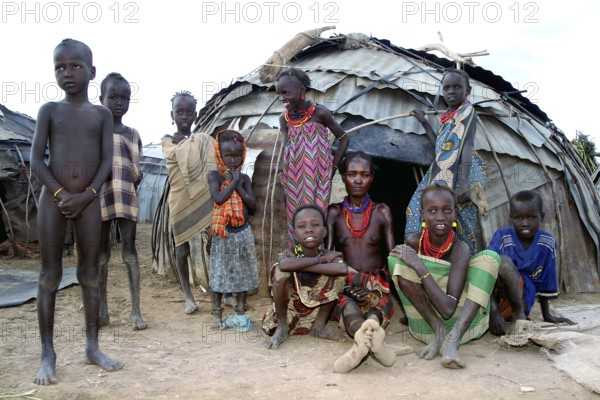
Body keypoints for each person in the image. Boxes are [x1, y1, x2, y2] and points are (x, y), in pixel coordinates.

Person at [30, 39, 121, 385]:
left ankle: (92, 346)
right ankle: (47, 354)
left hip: (88, 202)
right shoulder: (49, 111)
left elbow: (105, 163)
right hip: (52, 202)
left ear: (92, 72)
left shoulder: (101, 116)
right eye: (59, 67)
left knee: (90, 274)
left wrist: (86, 196)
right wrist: (59, 193)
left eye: (75, 66)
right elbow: (38, 160)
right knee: (49, 276)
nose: (67, 73)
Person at [389, 183, 500, 369]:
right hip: (429, 324)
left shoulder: (460, 249)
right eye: (432, 211)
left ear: (455, 214)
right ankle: (440, 333)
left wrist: (419, 266)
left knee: (490, 258)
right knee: (395, 261)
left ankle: (451, 341)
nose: (440, 217)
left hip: (463, 323)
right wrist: (414, 264)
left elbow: (448, 309)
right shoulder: (413, 242)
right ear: (423, 215)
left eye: (447, 210)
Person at [325, 152, 397, 373]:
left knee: (379, 306)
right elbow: (327, 256)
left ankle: (372, 332)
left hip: (376, 281)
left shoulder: (382, 211)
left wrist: (386, 289)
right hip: (345, 281)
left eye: (364, 174)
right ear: (343, 177)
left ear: (371, 178)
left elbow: (392, 257)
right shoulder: (334, 212)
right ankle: (363, 338)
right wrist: (343, 286)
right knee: (348, 309)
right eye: (352, 174)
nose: (358, 180)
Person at [405, 69, 485, 255]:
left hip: (463, 171)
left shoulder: (467, 110)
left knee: (463, 220)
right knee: (418, 206)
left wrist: (464, 182)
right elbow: (441, 149)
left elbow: (466, 146)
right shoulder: (448, 116)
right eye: (447, 87)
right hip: (444, 168)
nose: (451, 91)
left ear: (468, 91)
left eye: (457, 87)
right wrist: (425, 123)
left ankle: (467, 263)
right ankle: (421, 255)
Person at [276, 68, 349, 243]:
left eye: (285, 93)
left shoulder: (320, 113)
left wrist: (333, 168)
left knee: (316, 218)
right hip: (293, 178)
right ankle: (298, 260)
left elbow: (344, 138)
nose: (282, 98)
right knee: (295, 219)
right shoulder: (284, 119)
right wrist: (284, 175)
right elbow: (286, 148)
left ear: (301, 89)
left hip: (318, 177)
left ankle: (317, 259)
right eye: (279, 94)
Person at [97, 72, 146, 330]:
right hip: (100, 197)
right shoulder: (95, 131)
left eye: (124, 97)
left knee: (129, 252)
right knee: (101, 254)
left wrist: (129, 183)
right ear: (101, 98)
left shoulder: (133, 134)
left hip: (126, 197)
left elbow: (136, 170)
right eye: (113, 97)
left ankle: (136, 312)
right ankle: (102, 311)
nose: (119, 102)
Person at [262, 204, 350, 349]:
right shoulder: (290, 252)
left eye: (315, 225)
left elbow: (341, 268)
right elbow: (283, 265)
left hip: (317, 313)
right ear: (295, 234)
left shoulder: (329, 254)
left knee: (339, 274)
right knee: (279, 271)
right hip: (291, 313)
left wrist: (298, 263)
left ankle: (319, 328)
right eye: (302, 226)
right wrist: (320, 261)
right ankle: (282, 328)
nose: (309, 229)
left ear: (324, 231)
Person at [488, 190, 575, 336]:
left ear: (541, 217)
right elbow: (486, 270)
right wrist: (493, 311)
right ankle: (496, 314)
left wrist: (547, 316)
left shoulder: (547, 243)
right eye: (518, 218)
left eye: (531, 217)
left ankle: (518, 315)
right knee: (496, 261)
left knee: (504, 263)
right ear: (511, 218)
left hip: (521, 302)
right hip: (493, 301)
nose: (525, 223)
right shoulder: (502, 237)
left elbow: (546, 281)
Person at [161, 91, 216, 314]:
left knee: (212, 245)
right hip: (179, 200)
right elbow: (175, 154)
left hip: (203, 196)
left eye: (189, 112)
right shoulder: (168, 142)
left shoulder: (203, 140)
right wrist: (189, 144)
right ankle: (187, 295)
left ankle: (217, 291)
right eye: (179, 112)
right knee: (181, 249)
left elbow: (213, 163)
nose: (184, 116)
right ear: (172, 115)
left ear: (195, 116)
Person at [207, 130, 259, 326]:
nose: (233, 160)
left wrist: (238, 183)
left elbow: (253, 206)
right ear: (220, 154)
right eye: (228, 155)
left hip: (243, 232)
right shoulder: (214, 176)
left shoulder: (244, 178)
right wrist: (233, 181)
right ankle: (216, 314)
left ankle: (240, 311)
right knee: (219, 274)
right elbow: (219, 199)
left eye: (237, 156)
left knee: (243, 272)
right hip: (223, 234)